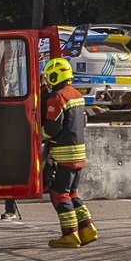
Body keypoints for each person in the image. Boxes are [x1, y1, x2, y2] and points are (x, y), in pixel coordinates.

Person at [41, 56, 95, 247]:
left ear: (55, 76)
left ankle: (70, 235)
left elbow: (52, 128)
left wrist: (37, 135)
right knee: (72, 193)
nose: (47, 81)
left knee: (59, 195)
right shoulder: (77, 95)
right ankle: (87, 229)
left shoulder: (58, 97)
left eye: (49, 77)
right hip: (79, 154)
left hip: (64, 155)